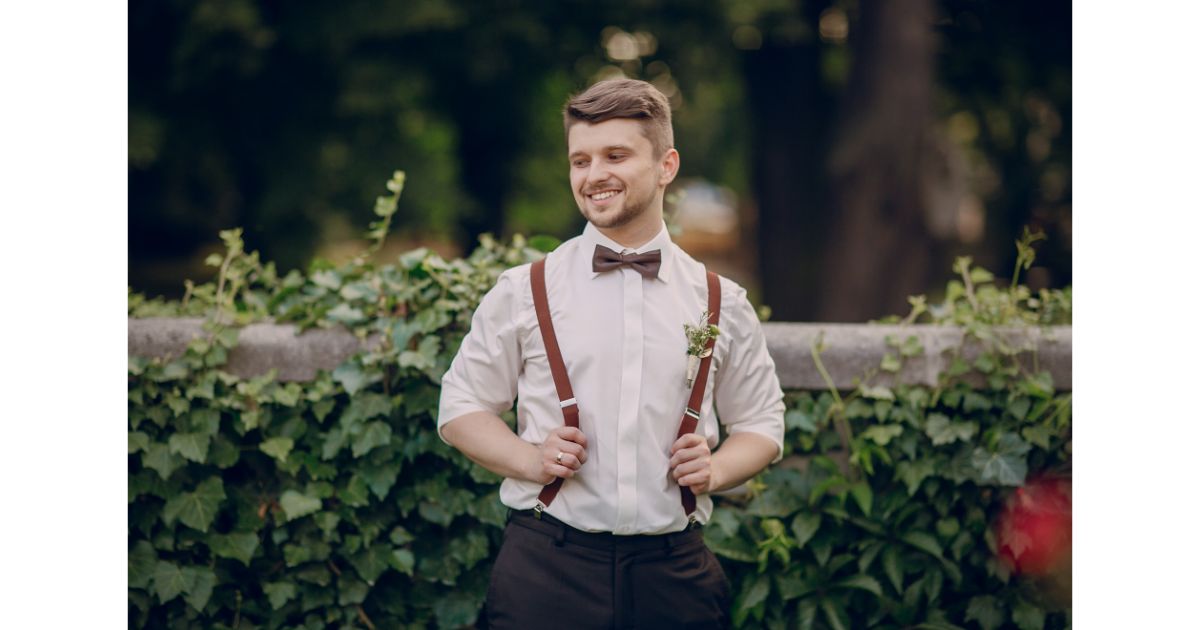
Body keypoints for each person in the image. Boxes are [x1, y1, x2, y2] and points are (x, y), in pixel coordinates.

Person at [437, 78, 785, 629]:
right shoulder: (524, 289)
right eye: (581, 160)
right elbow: (460, 408)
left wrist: (716, 469)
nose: (594, 174)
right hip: (545, 569)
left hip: (675, 575)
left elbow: (763, 422)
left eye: (615, 156)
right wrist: (531, 460)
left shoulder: (720, 301)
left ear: (666, 165)